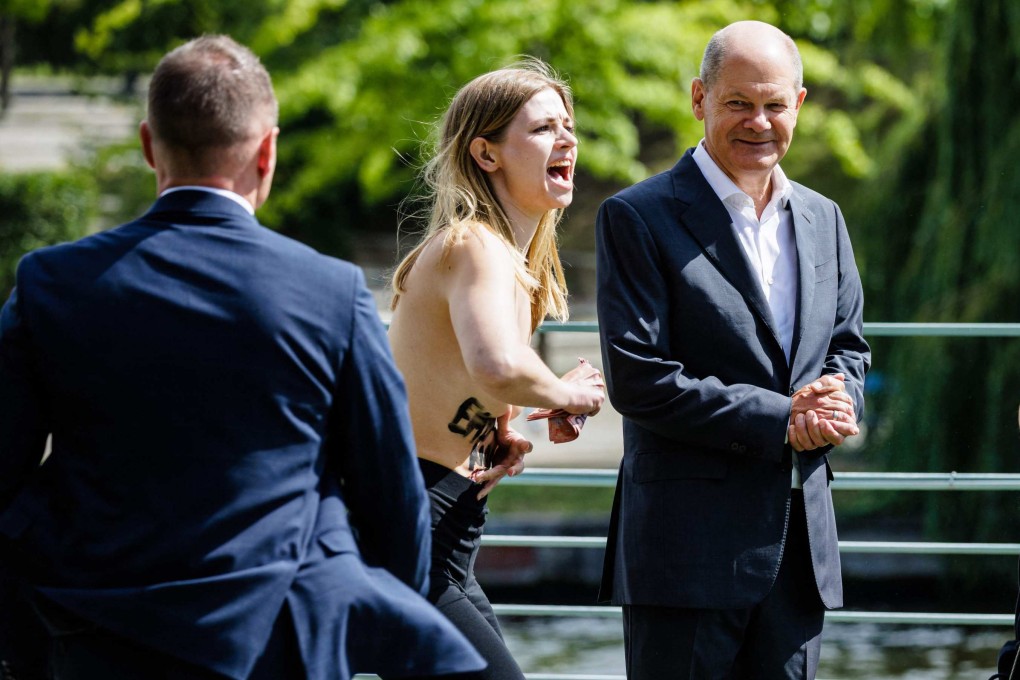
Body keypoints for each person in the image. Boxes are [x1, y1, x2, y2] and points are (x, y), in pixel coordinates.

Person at [0, 35, 484, 680]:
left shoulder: (50, 284)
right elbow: (388, 492)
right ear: (267, 151)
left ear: (149, 145)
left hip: (96, 633)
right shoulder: (328, 291)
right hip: (275, 635)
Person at [595, 20, 871, 680]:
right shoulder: (637, 216)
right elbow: (640, 380)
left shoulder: (823, 216)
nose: (759, 122)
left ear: (799, 105)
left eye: (775, 104)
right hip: (684, 555)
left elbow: (848, 346)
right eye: (738, 103)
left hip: (800, 551)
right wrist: (785, 418)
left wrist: (837, 397)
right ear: (699, 99)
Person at [387, 59, 605, 680]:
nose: (567, 140)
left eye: (568, 126)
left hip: (445, 521)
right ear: (486, 153)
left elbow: (465, 374)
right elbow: (496, 362)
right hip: (409, 516)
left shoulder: (508, 261)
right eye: (543, 130)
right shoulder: (475, 245)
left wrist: (500, 427)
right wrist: (568, 393)